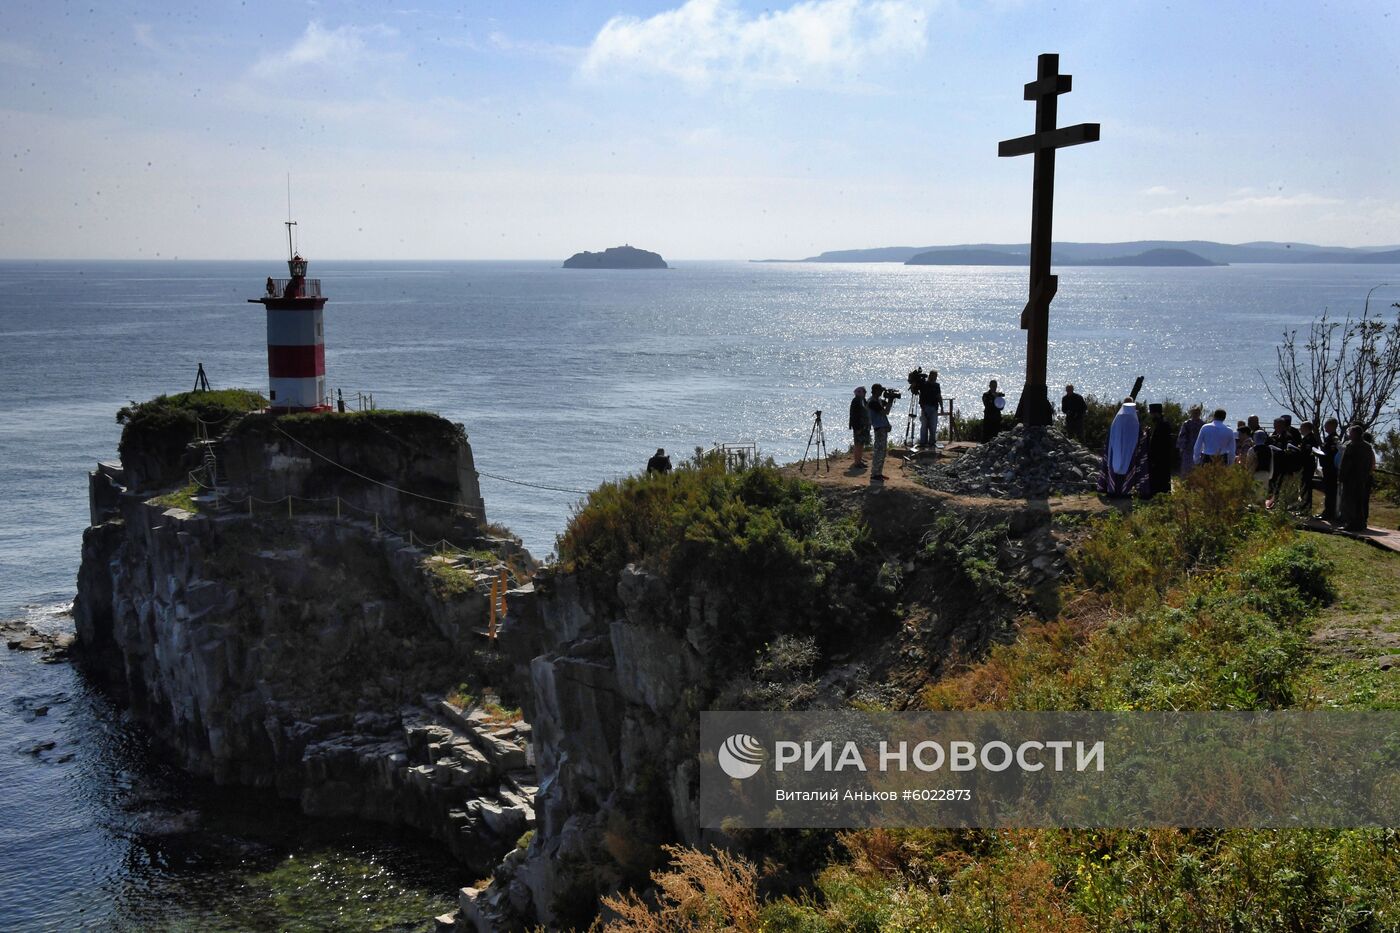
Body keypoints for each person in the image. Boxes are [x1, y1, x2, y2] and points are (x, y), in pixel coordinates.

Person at [1097, 398, 1148, 497]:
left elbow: (1111, 435)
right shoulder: (1134, 419)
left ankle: (1112, 490)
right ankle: (1126, 491)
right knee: (1127, 468)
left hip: (1115, 449)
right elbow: (1139, 436)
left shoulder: (1118, 418)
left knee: (1115, 468)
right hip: (1130, 451)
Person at [1338, 425, 1375, 531]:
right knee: (1359, 502)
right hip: (1362, 478)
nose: (1349, 435)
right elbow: (1369, 464)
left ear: (1355, 434)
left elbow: (1346, 463)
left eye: (1351, 432)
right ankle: (1360, 523)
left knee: (1350, 501)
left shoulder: (1352, 445)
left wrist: (1342, 477)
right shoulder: (1368, 446)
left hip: (1351, 478)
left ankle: (1351, 523)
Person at [1145, 402, 1176, 498]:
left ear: (1156, 413)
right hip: (1162, 457)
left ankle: (1159, 495)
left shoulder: (1162, 424)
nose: (1151, 416)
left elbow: (1158, 442)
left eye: (1152, 413)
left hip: (1160, 457)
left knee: (1160, 477)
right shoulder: (1162, 423)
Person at [868, 384, 893, 482]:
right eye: (880, 391)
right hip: (879, 429)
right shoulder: (872, 402)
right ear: (875, 391)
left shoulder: (877, 400)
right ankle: (874, 474)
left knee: (882, 452)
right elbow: (885, 412)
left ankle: (878, 473)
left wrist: (890, 399)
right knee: (879, 451)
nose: (882, 393)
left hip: (882, 428)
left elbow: (886, 408)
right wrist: (890, 401)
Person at [1319, 418, 1341, 522]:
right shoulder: (1328, 438)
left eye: (1327, 425)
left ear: (1332, 426)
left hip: (1331, 469)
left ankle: (1329, 513)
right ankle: (1327, 511)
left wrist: (1323, 455)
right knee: (1328, 491)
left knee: (1331, 492)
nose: (1325, 428)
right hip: (1326, 468)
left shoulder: (1334, 438)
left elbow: (1332, 454)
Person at [1296, 421, 1320, 512]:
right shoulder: (1305, 438)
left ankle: (1306, 508)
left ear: (1306, 428)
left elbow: (1307, 453)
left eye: (1301, 427)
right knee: (1303, 486)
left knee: (1306, 487)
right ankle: (1303, 506)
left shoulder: (1310, 439)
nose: (1300, 430)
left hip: (1308, 466)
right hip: (1304, 466)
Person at [917, 369, 943, 449]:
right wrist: (923, 407)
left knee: (933, 425)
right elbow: (921, 397)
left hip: (934, 407)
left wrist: (942, 407)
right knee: (924, 425)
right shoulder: (924, 384)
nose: (935, 377)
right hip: (925, 407)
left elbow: (939, 396)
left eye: (936, 376)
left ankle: (932, 442)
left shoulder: (937, 385)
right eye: (933, 376)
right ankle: (923, 442)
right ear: (930, 376)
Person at [1176, 405, 1205, 476]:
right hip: (1188, 449)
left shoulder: (1203, 425)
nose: (1195, 414)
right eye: (1194, 413)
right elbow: (1182, 436)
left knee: (1197, 469)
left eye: (1197, 413)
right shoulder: (1187, 423)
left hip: (1199, 449)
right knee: (1187, 469)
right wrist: (1181, 448)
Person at [848, 387, 871, 469]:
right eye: (863, 392)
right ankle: (857, 462)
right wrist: (857, 428)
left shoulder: (862, 400)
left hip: (863, 426)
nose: (865, 393)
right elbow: (854, 416)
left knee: (861, 444)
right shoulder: (856, 401)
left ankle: (859, 460)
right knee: (858, 444)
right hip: (859, 426)